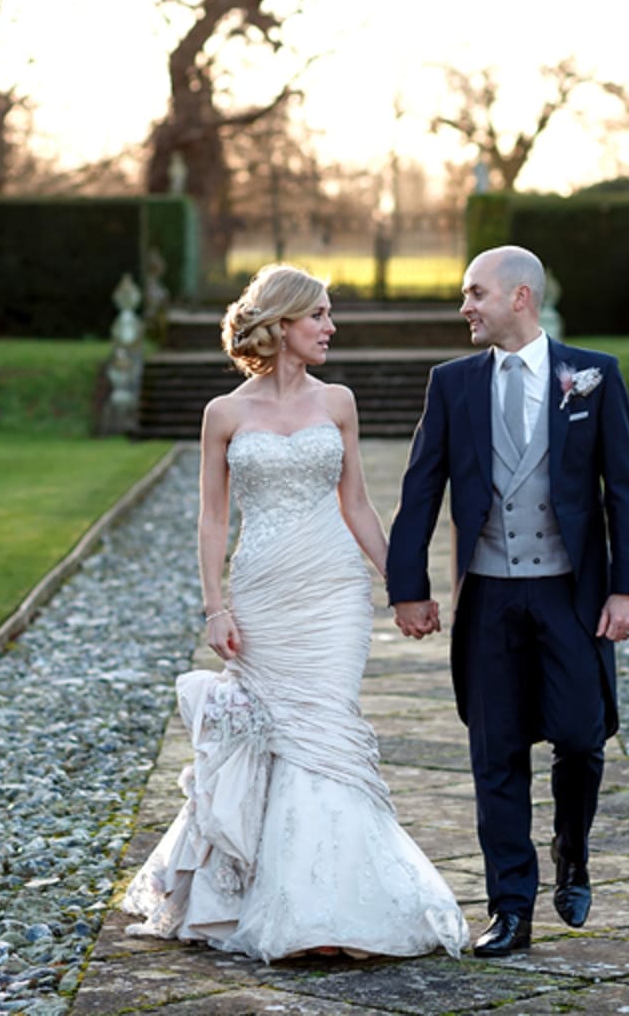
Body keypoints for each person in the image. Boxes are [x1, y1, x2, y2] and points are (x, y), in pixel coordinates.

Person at [122, 263, 467, 962]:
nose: (330, 328)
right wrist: (214, 605)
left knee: (327, 732)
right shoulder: (224, 413)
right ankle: (261, 900)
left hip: (335, 592)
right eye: (319, 316)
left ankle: (338, 909)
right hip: (261, 592)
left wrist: (405, 587)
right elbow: (212, 521)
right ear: (281, 325)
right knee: (272, 734)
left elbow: (359, 505)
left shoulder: (338, 401)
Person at [386, 244, 629, 957]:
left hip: (571, 594)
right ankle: (511, 909)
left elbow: (622, 488)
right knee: (494, 752)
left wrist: (628, 587)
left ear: (519, 297)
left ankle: (573, 849)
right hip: (491, 595)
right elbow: (420, 490)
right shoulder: (454, 384)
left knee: (581, 737)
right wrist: (408, 589)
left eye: (474, 294)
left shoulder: (592, 377)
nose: (464, 307)